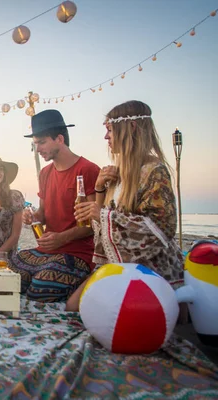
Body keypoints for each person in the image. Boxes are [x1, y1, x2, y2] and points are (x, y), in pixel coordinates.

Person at [67, 100, 184, 311]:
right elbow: (102, 225)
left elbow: (160, 230)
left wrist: (102, 214)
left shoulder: (154, 170)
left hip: (148, 269)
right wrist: (100, 189)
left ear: (130, 128)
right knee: (73, 307)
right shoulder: (120, 173)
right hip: (118, 265)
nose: (105, 137)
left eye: (109, 130)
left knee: (81, 310)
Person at [9, 109, 100, 302]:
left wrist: (61, 238)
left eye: (42, 142)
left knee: (40, 289)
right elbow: (43, 212)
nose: (38, 149)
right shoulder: (45, 173)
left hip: (78, 253)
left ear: (59, 139)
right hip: (47, 251)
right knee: (10, 273)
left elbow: (94, 223)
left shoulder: (88, 170)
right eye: (36, 144)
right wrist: (33, 216)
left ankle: (77, 281)